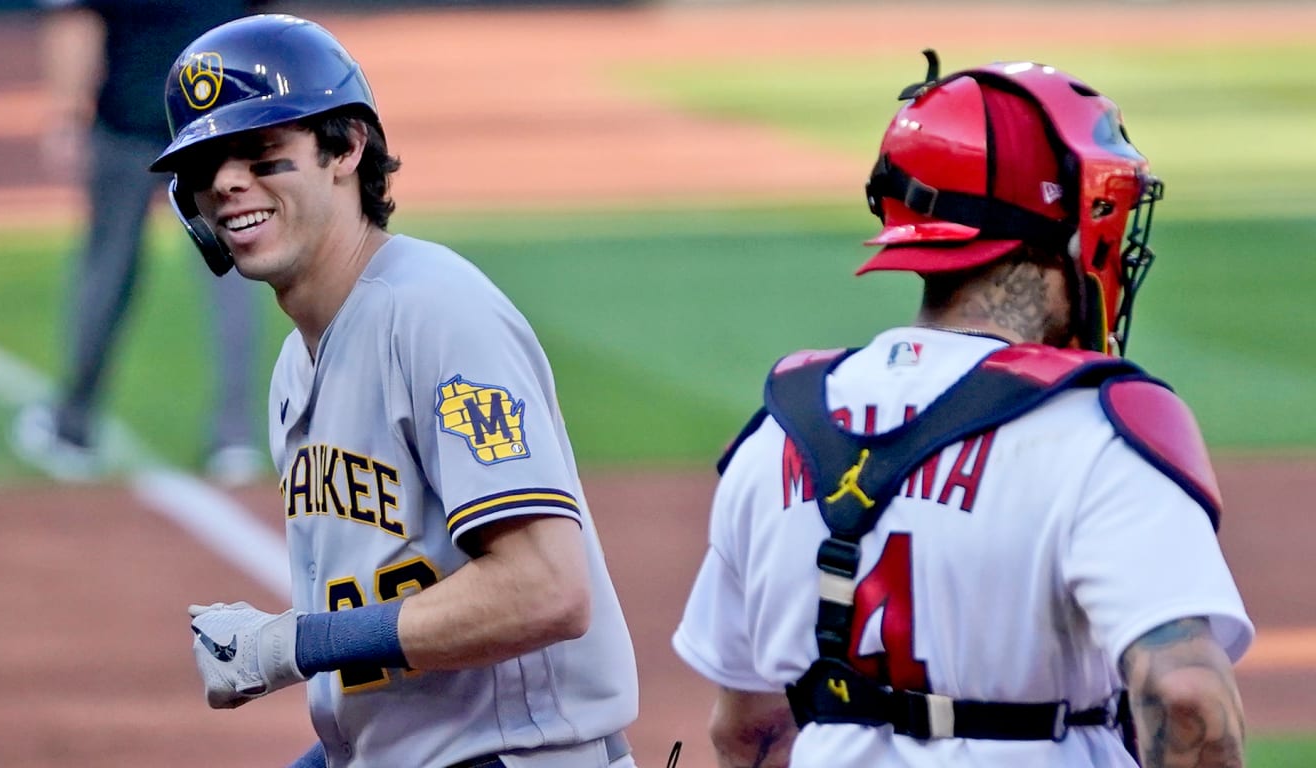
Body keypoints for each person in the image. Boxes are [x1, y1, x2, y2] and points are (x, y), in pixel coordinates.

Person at [672, 52, 1254, 768]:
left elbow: (749, 729)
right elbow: (1187, 698)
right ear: (1070, 225)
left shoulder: (777, 435)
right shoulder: (1099, 432)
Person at [152, 15, 640, 768]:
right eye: (206, 166)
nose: (226, 183)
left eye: (260, 154)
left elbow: (546, 589)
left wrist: (294, 644)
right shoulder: (298, 363)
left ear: (347, 148)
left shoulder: (435, 314)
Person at [11, 0, 267, 485]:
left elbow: (74, 17)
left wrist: (66, 112)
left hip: (130, 116)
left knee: (108, 270)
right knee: (235, 270)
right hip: (219, 124)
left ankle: (72, 429)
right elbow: (266, 27)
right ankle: (235, 438)